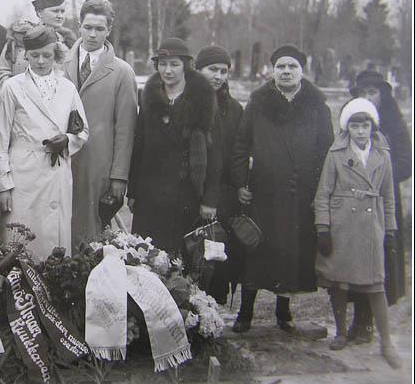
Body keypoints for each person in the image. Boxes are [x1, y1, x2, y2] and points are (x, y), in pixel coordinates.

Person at [231, 44, 334, 332]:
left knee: (290, 252)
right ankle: (245, 313)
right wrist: (241, 183)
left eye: (292, 67)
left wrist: (318, 192)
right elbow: (240, 146)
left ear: (303, 72)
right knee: (257, 250)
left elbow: (326, 152)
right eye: (280, 67)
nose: (286, 72)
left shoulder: (318, 107)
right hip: (263, 194)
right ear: (272, 70)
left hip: (301, 195)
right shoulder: (258, 104)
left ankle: (283, 313)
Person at [313, 98, 400, 369]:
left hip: (371, 225)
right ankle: (340, 332)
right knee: (338, 281)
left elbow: (388, 197)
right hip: (342, 224)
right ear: (346, 128)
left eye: (365, 125)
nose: (360, 131)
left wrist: (391, 231)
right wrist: (323, 227)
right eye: (354, 125)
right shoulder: (336, 153)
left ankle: (386, 342)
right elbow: (323, 193)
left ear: (372, 128)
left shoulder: (382, 155)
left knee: (375, 283)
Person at [0, 26, 89, 258]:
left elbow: (83, 129)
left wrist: (67, 140)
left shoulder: (67, 88)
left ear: (55, 55)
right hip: (23, 173)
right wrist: (3, 184)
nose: (41, 61)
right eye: (34, 56)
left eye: (47, 55)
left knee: (53, 241)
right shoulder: (12, 87)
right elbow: (0, 138)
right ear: (26, 55)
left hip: (56, 172)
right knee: (23, 240)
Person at [128, 38, 222, 255]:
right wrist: (133, 191)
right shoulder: (149, 97)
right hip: (150, 195)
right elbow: (139, 145)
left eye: (174, 64)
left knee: (180, 265)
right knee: (146, 258)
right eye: (162, 64)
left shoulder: (203, 99)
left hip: (186, 195)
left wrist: (209, 200)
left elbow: (216, 154)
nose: (167, 70)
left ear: (186, 66)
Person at [62, 0, 138, 244]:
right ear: (79, 25)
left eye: (99, 29)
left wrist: (119, 176)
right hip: (61, 159)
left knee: (91, 234)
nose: (92, 34)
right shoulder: (58, 64)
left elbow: (126, 130)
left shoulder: (122, 72)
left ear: (109, 30)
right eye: (87, 27)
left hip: (99, 166)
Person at [344, 69, 412, 343]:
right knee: (357, 258)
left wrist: (379, 173)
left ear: (383, 94)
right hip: (355, 200)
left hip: (384, 201)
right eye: (363, 92)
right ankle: (357, 319)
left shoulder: (394, 123)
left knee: (379, 260)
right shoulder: (352, 121)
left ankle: (369, 321)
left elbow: (406, 164)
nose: (368, 97)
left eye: (373, 92)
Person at [195, 45, 245, 304]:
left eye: (223, 71)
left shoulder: (234, 109)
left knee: (215, 255)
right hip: (189, 192)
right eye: (212, 69)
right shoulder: (186, 101)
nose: (218, 76)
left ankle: (213, 312)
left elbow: (236, 153)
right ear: (198, 69)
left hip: (221, 195)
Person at [0, 0, 74, 84]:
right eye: (55, 11)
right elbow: (1, 72)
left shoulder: (67, 42)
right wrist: (17, 91)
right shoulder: (20, 38)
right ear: (39, 13)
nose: (60, 16)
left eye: (62, 11)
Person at [0, 19, 38, 85]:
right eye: (21, 33)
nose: (24, 36)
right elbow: (1, 70)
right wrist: (12, 85)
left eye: (26, 32)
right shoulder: (10, 47)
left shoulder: (40, 45)